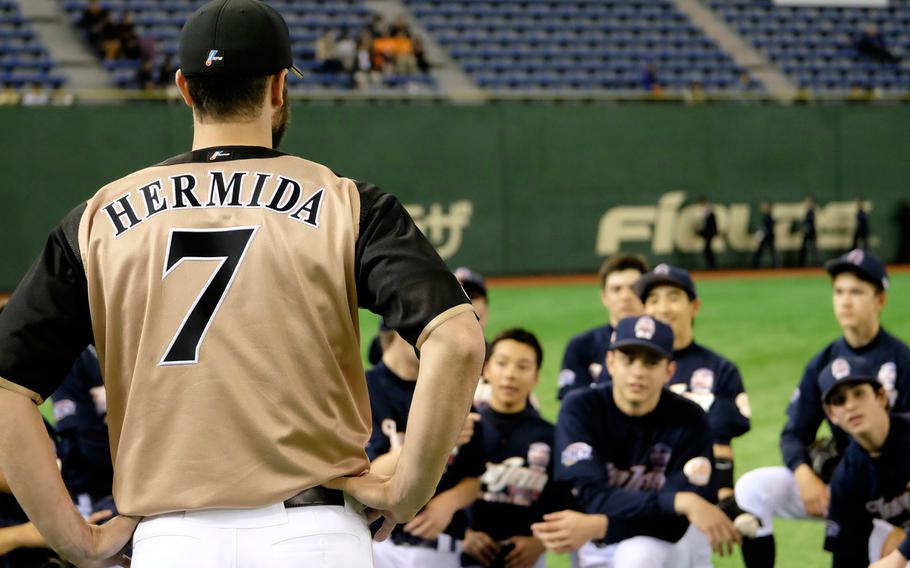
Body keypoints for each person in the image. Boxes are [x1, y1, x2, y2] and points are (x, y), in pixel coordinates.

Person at [0, 1, 486, 567]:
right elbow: (457, 340)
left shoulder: (99, 218)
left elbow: (7, 390)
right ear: (279, 87)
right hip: (314, 531)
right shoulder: (346, 202)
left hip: (170, 538)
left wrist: (75, 541)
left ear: (184, 88)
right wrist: (408, 489)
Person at [734, 249, 910, 568]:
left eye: (856, 292)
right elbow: (793, 433)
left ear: (880, 299)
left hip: (899, 488)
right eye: (839, 291)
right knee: (753, 487)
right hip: (847, 485)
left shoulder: (902, 360)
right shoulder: (823, 364)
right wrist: (804, 474)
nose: (845, 301)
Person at [544, 315, 740, 567]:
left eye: (651, 362)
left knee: (638, 555)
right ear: (611, 362)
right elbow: (592, 496)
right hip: (594, 542)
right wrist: (677, 501)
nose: (638, 371)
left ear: (669, 371)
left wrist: (601, 524)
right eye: (628, 359)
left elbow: (675, 524)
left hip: (669, 545)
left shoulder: (689, 418)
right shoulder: (581, 408)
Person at [635, 265, 754, 545]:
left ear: (694, 306)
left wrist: (724, 493)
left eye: (673, 297)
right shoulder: (630, 370)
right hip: (639, 491)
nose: (663, 308)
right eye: (653, 300)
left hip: (696, 494)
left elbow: (721, 435)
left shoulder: (721, 369)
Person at [366, 328, 485, 567]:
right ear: (395, 327)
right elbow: (370, 473)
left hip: (443, 548)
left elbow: (475, 478)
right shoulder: (362, 389)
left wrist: (450, 502)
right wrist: (440, 435)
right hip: (377, 546)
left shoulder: (452, 389)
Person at [462, 329, 575, 568]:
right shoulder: (465, 429)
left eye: (523, 366)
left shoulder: (551, 436)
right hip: (463, 557)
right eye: (502, 363)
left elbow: (563, 500)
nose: (511, 375)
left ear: (536, 377)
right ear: (486, 370)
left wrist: (539, 542)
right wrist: (462, 534)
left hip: (526, 560)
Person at [818, 356, 910, 567]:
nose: (850, 405)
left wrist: (900, 555)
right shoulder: (847, 477)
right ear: (832, 414)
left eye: (858, 393)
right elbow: (847, 554)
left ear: (881, 396)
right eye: (839, 400)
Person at [557, 253, 648, 400]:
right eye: (616, 289)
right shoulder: (581, 346)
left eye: (633, 287)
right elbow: (572, 406)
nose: (625, 296)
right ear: (604, 297)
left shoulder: (664, 343)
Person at [752, 201, 778, 268]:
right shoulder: (766, 216)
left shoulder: (769, 216)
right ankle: (755, 265)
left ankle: (776, 266)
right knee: (760, 252)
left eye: (764, 206)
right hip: (765, 238)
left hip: (769, 238)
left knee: (772, 252)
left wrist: (761, 234)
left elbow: (768, 228)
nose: (762, 207)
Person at [696, 197, 718, 270]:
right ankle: (711, 265)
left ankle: (712, 266)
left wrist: (705, 232)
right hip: (708, 234)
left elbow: (711, 225)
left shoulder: (709, 211)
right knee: (707, 250)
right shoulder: (706, 211)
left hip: (709, 234)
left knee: (707, 250)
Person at [798, 195, 818, 267]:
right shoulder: (807, 212)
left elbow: (810, 223)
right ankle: (802, 264)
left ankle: (816, 264)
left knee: (813, 249)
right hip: (807, 233)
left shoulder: (811, 212)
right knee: (804, 249)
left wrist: (806, 229)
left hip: (811, 233)